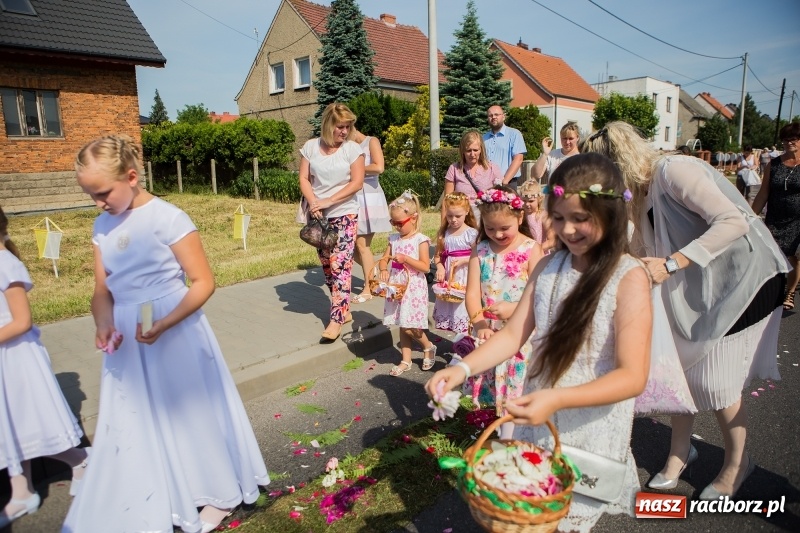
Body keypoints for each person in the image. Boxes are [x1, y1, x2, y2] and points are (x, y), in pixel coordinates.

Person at [427, 154, 651, 531]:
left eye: (581, 219)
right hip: (539, 415)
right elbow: (514, 335)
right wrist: (461, 369)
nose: (568, 230)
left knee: (568, 517)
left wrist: (557, 399)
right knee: (534, 514)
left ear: (610, 214)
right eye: (559, 217)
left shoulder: (628, 279)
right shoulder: (549, 267)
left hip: (588, 425)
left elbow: (632, 376)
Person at [65, 135, 269, 533]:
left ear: (131, 176)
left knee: (187, 411)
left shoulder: (168, 218)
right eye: (91, 195)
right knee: (141, 416)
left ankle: (215, 492)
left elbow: (202, 282)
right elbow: (101, 290)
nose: (98, 203)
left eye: (103, 193)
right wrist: (103, 322)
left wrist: (164, 322)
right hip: (126, 333)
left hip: (172, 326)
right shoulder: (101, 224)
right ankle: (161, 484)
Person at [581, 122, 788, 502]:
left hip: (742, 280)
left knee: (715, 383)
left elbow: (733, 221)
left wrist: (672, 264)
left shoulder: (674, 172)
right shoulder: (636, 196)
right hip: (699, 287)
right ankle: (680, 454)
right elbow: (638, 252)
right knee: (679, 368)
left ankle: (739, 463)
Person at [0, 207, 89, 528]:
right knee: (11, 425)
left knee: (28, 421)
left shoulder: (7, 265)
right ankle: (20, 490)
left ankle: (80, 460)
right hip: (4, 357)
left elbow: (21, 321)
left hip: (16, 357)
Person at [463, 186, 543, 439]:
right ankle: (503, 433)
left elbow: (542, 295)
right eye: (490, 228)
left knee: (518, 390)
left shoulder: (531, 249)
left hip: (522, 335)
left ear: (520, 218)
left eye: (504, 228)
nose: (497, 234)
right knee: (497, 389)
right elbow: (472, 294)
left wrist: (514, 308)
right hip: (491, 334)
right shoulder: (481, 250)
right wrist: (480, 325)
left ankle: (515, 438)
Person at [299, 103, 365, 341]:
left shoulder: (352, 150)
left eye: (348, 127)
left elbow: (356, 183)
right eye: (340, 127)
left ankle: (336, 320)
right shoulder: (310, 147)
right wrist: (314, 201)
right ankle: (343, 306)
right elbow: (304, 179)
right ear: (328, 124)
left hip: (345, 213)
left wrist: (329, 200)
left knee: (341, 266)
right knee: (327, 266)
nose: (344, 131)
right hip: (318, 216)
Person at [378, 190, 435, 376]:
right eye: (392, 223)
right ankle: (406, 359)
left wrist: (407, 259)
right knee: (403, 324)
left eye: (399, 223)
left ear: (413, 218)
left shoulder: (421, 240)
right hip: (397, 286)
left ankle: (428, 346)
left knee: (411, 326)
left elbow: (425, 267)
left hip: (414, 287)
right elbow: (383, 259)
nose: (396, 227)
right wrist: (384, 269)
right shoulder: (393, 239)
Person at [752, 122, 800, 310]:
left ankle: (790, 292)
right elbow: (763, 193)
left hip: (797, 219)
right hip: (775, 217)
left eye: (793, 139)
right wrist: (750, 216)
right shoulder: (774, 165)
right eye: (785, 139)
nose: (788, 142)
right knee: (773, 253)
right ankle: (775, 291)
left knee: (791, 255)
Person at [349, 126, 391, 304]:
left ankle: (368, 288)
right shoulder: (347, 146)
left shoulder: (371, 141)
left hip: (369, 197)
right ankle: (374, 276)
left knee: (362, 245)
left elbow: (379, 167)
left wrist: (356, 168)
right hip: (353, 197)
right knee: (349, 248)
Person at [432, 192, 479, 334]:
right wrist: (439, 267)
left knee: (465, 309)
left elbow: (479, 255)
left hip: (466, 277)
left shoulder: (471, 233)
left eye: (458, 216)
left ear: (467, 211)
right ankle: (460, 344)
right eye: (449, 215)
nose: (453, 220)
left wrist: (464, 260)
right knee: (453, 309)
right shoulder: (444, 234)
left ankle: (466, 342)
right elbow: (437, 256)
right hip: (451, 279)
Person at [443, 130, 502, 222]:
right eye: (468, 150)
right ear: (462, 151)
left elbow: (499, 200)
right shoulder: (454, 169)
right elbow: (446, 201)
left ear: (481, 150)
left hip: (485, 220)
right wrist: (443, 227)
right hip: (461, 220)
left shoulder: (492, 169)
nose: (472, 154)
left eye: (475, 150)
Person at [483, 105, 527, 189]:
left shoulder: (514, 134)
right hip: (487, 184)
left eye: (496, 114)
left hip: (507, 183)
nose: (493, 117)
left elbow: (518, 159)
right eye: (490, 115)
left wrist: (505, 181)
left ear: (503, 116)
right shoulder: (484, 138)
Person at [517, 178, 557, 253]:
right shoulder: (520, 214)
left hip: (539, 253)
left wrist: (536, 250)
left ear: (539, 199)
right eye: (524, 201)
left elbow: (552, 240)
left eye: (531, 201)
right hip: (522, 252)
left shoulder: (542, 215)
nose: (527, 204)